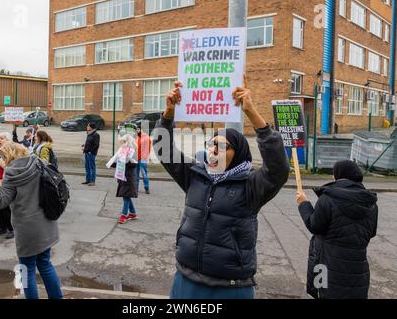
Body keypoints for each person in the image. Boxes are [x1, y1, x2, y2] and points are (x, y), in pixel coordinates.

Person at [153, 81, 289, 299]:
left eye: (223, 146)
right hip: (186, 279)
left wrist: (252, 113)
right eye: (211, 144)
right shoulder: (196, 176)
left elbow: (278, 169)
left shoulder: (250, 186)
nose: (213, 150)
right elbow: (163, 150)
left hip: (230, 288)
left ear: (239, 154)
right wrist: (168, 114)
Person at [0, 143, 62, 299]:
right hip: (46, 223)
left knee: (27, 271)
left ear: (8, 156)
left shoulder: (11, 174)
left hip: (27, 230)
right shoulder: (39, 163)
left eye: (3, 157)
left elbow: (1, 201)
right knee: (45, 264)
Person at [296, 160, 378, 299]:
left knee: (323, 293)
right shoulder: (371, 203)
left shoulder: (328, 199)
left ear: (338, 175)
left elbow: (314, 226)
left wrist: (304, 203)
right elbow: (371, 232)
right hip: (358, 271)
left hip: (325, 267)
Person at [106, 134, 138, 224]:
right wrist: (112, 163)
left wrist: (125, 162)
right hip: (122, 176)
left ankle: (123, 215)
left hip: (128, 177)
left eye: (123, 141)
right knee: (126, 195)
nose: (121, 143)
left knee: (126, 196)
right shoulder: (122, 150)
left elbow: (134, 164)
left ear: (127, 142)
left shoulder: (132, 151)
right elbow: (118, 162)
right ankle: (133, 213)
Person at [136, 126, 151, 194]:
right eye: (136, 129)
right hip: (136, 158)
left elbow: (148, 149)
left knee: (144, 174)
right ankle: (135, 187)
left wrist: (144, 157)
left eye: (138, 129)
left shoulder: (146, 138)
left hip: (142, 159)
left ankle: (146, 188)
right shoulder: (137, 137)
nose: (137, 130)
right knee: (136, 174)